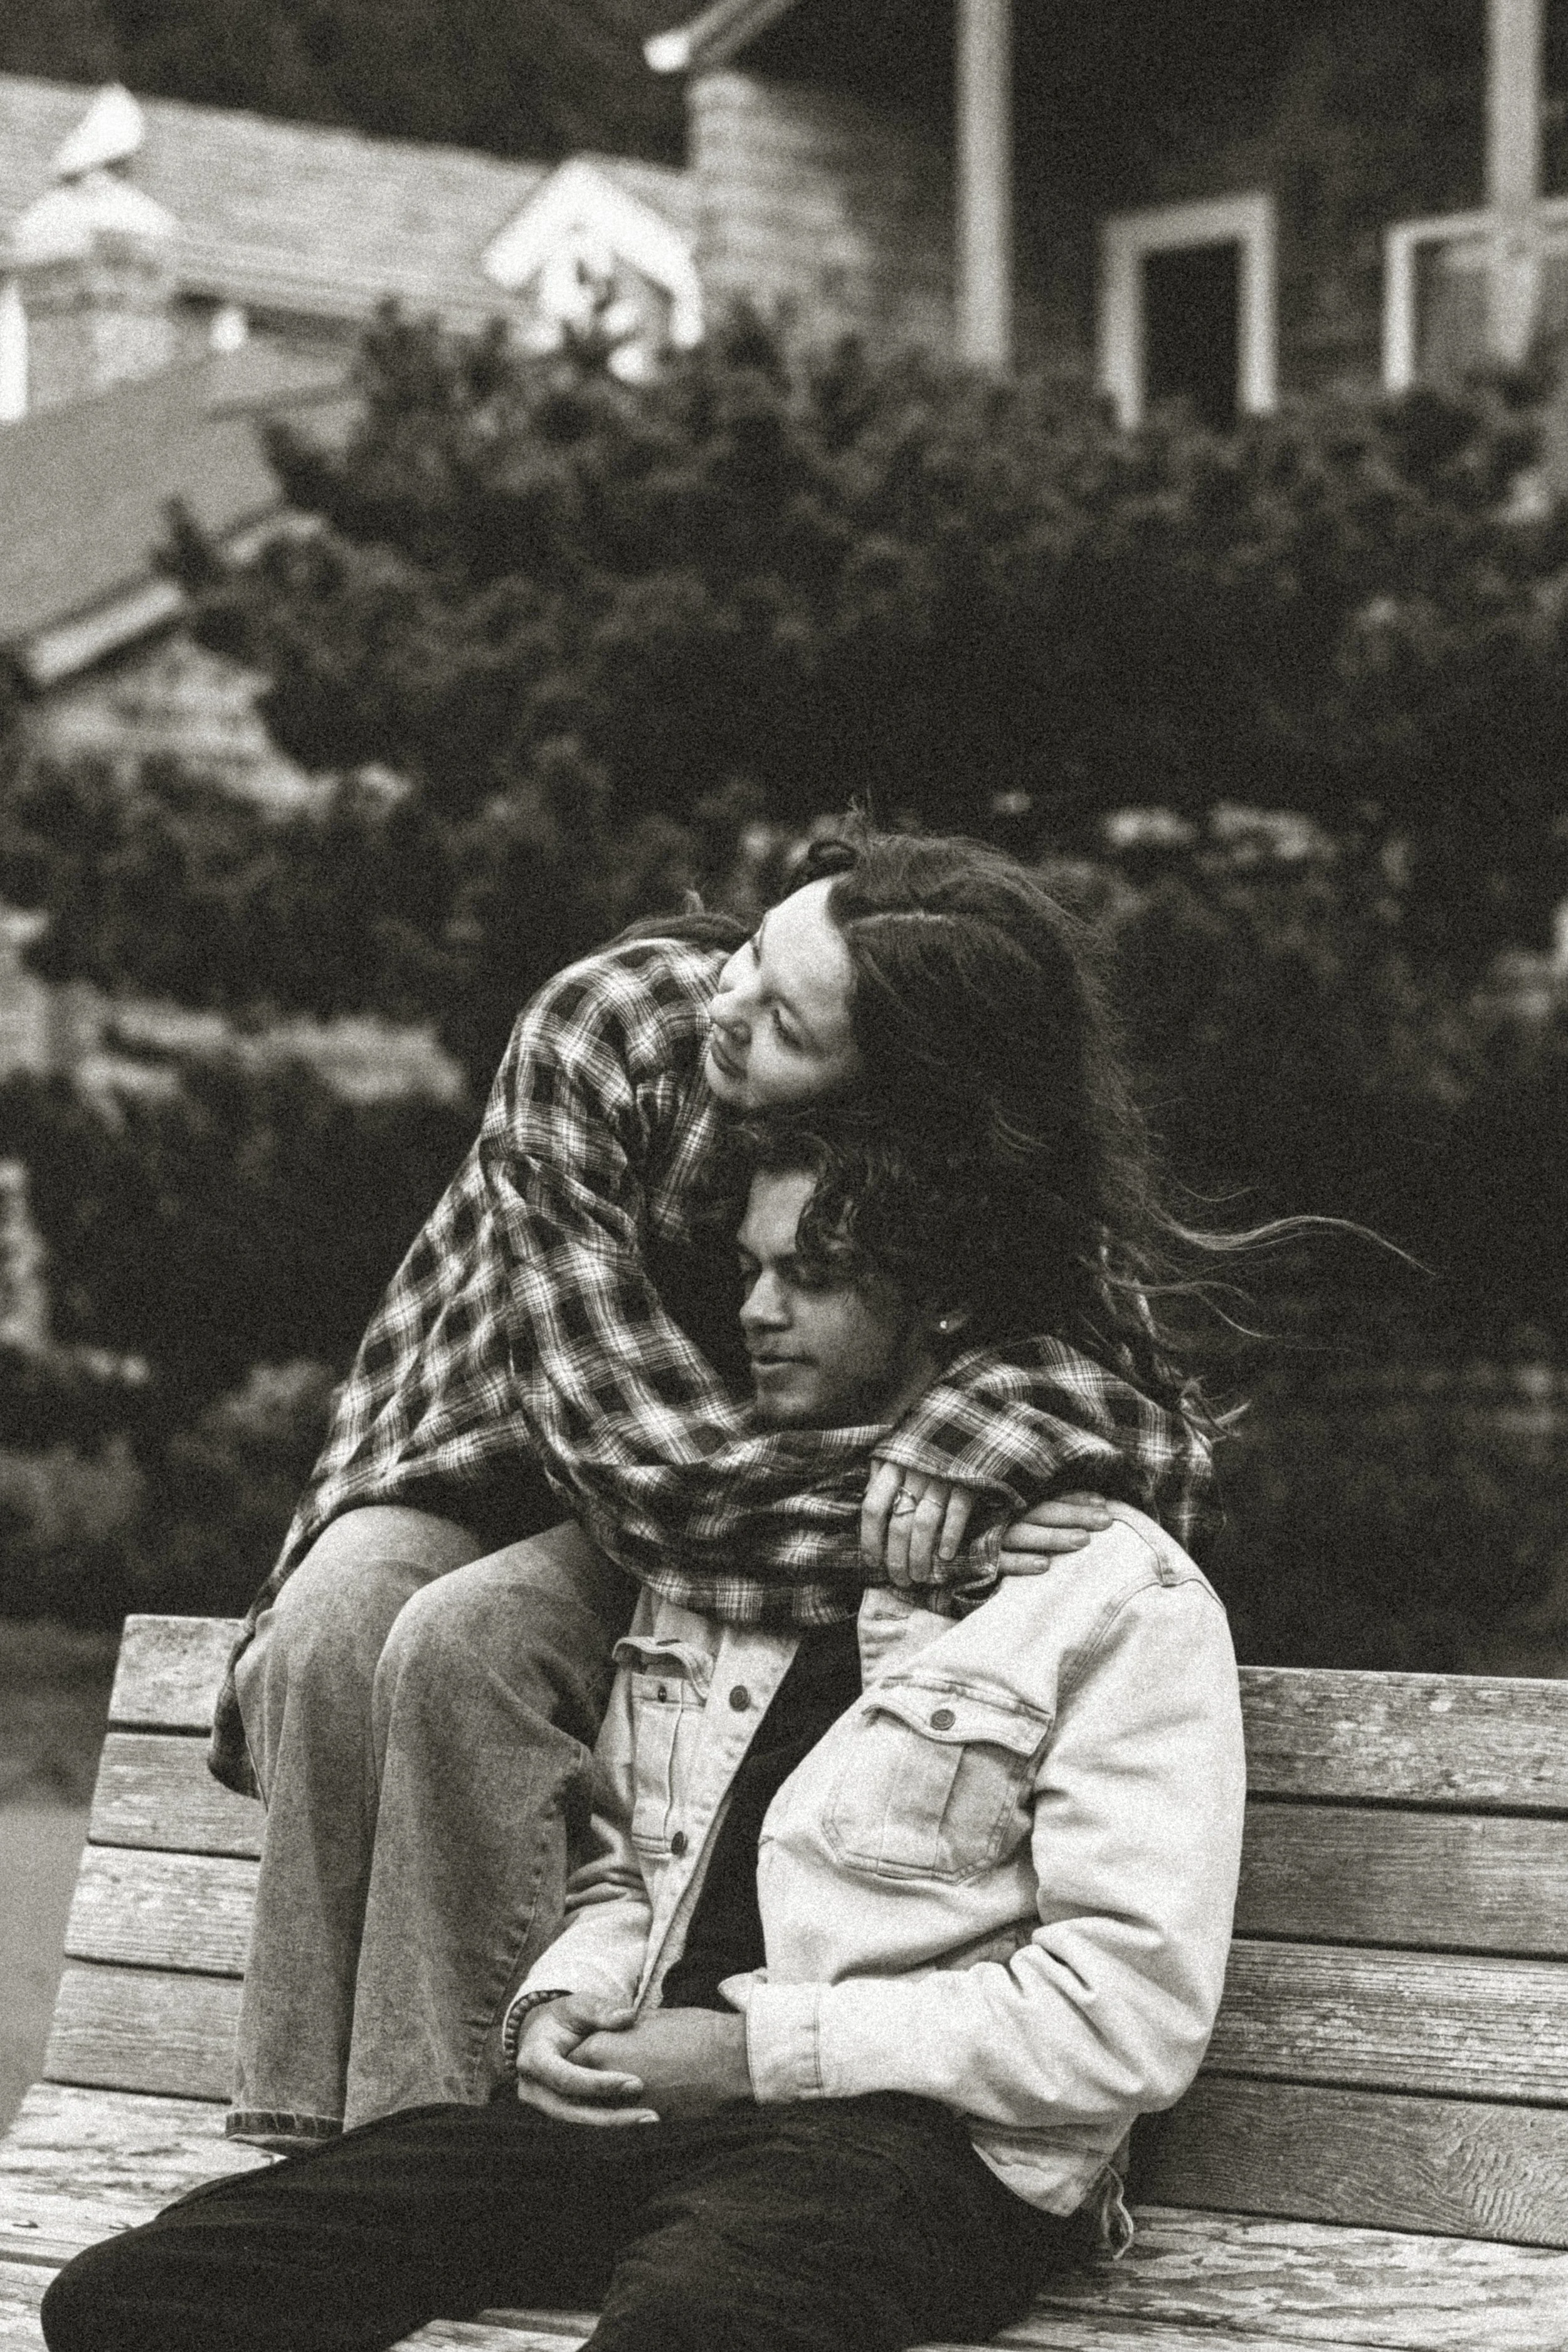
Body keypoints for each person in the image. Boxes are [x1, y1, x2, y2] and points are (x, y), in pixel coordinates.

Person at [43, 1118, 1247, 2352]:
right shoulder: (724, 1551)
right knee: (135, 2300)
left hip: (925, 2150)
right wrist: (565, 2004)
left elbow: (1124, 2018)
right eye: (747, 1273)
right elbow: (627, 1867)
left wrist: (752, 2053)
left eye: (808, 1276)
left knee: (684, 2333)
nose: (756, 1314)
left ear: (940, 1305)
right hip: (649, 2112)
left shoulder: (1108, 1592)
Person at [219, 827, 1222, 2146]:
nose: (726, 1005)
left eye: (787, 1018)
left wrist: (993, 1421)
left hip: (734, 1479)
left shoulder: (957, 1156)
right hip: (504, 1447)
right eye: (756, 950)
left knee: (468, 1644)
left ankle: (454, 2144)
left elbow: (1155, 1429)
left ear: (891, 1092)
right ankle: (315, 2147)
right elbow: (653, 1475)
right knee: (339, 1626)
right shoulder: (607, 1026)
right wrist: (933, 1501)